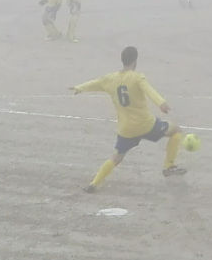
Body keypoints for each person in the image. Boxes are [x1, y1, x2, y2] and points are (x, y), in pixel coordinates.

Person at [71, 46, 188, 192]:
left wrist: (79, 87)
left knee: (117, 157)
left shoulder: (111, 79)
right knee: (176, 130)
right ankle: (169, 166)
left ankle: (93, 184)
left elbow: (96, 83)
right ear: (135, 60)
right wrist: (161, 103)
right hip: (146, 125)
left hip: (126, 129)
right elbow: (149, 90)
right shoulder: (137, 77)